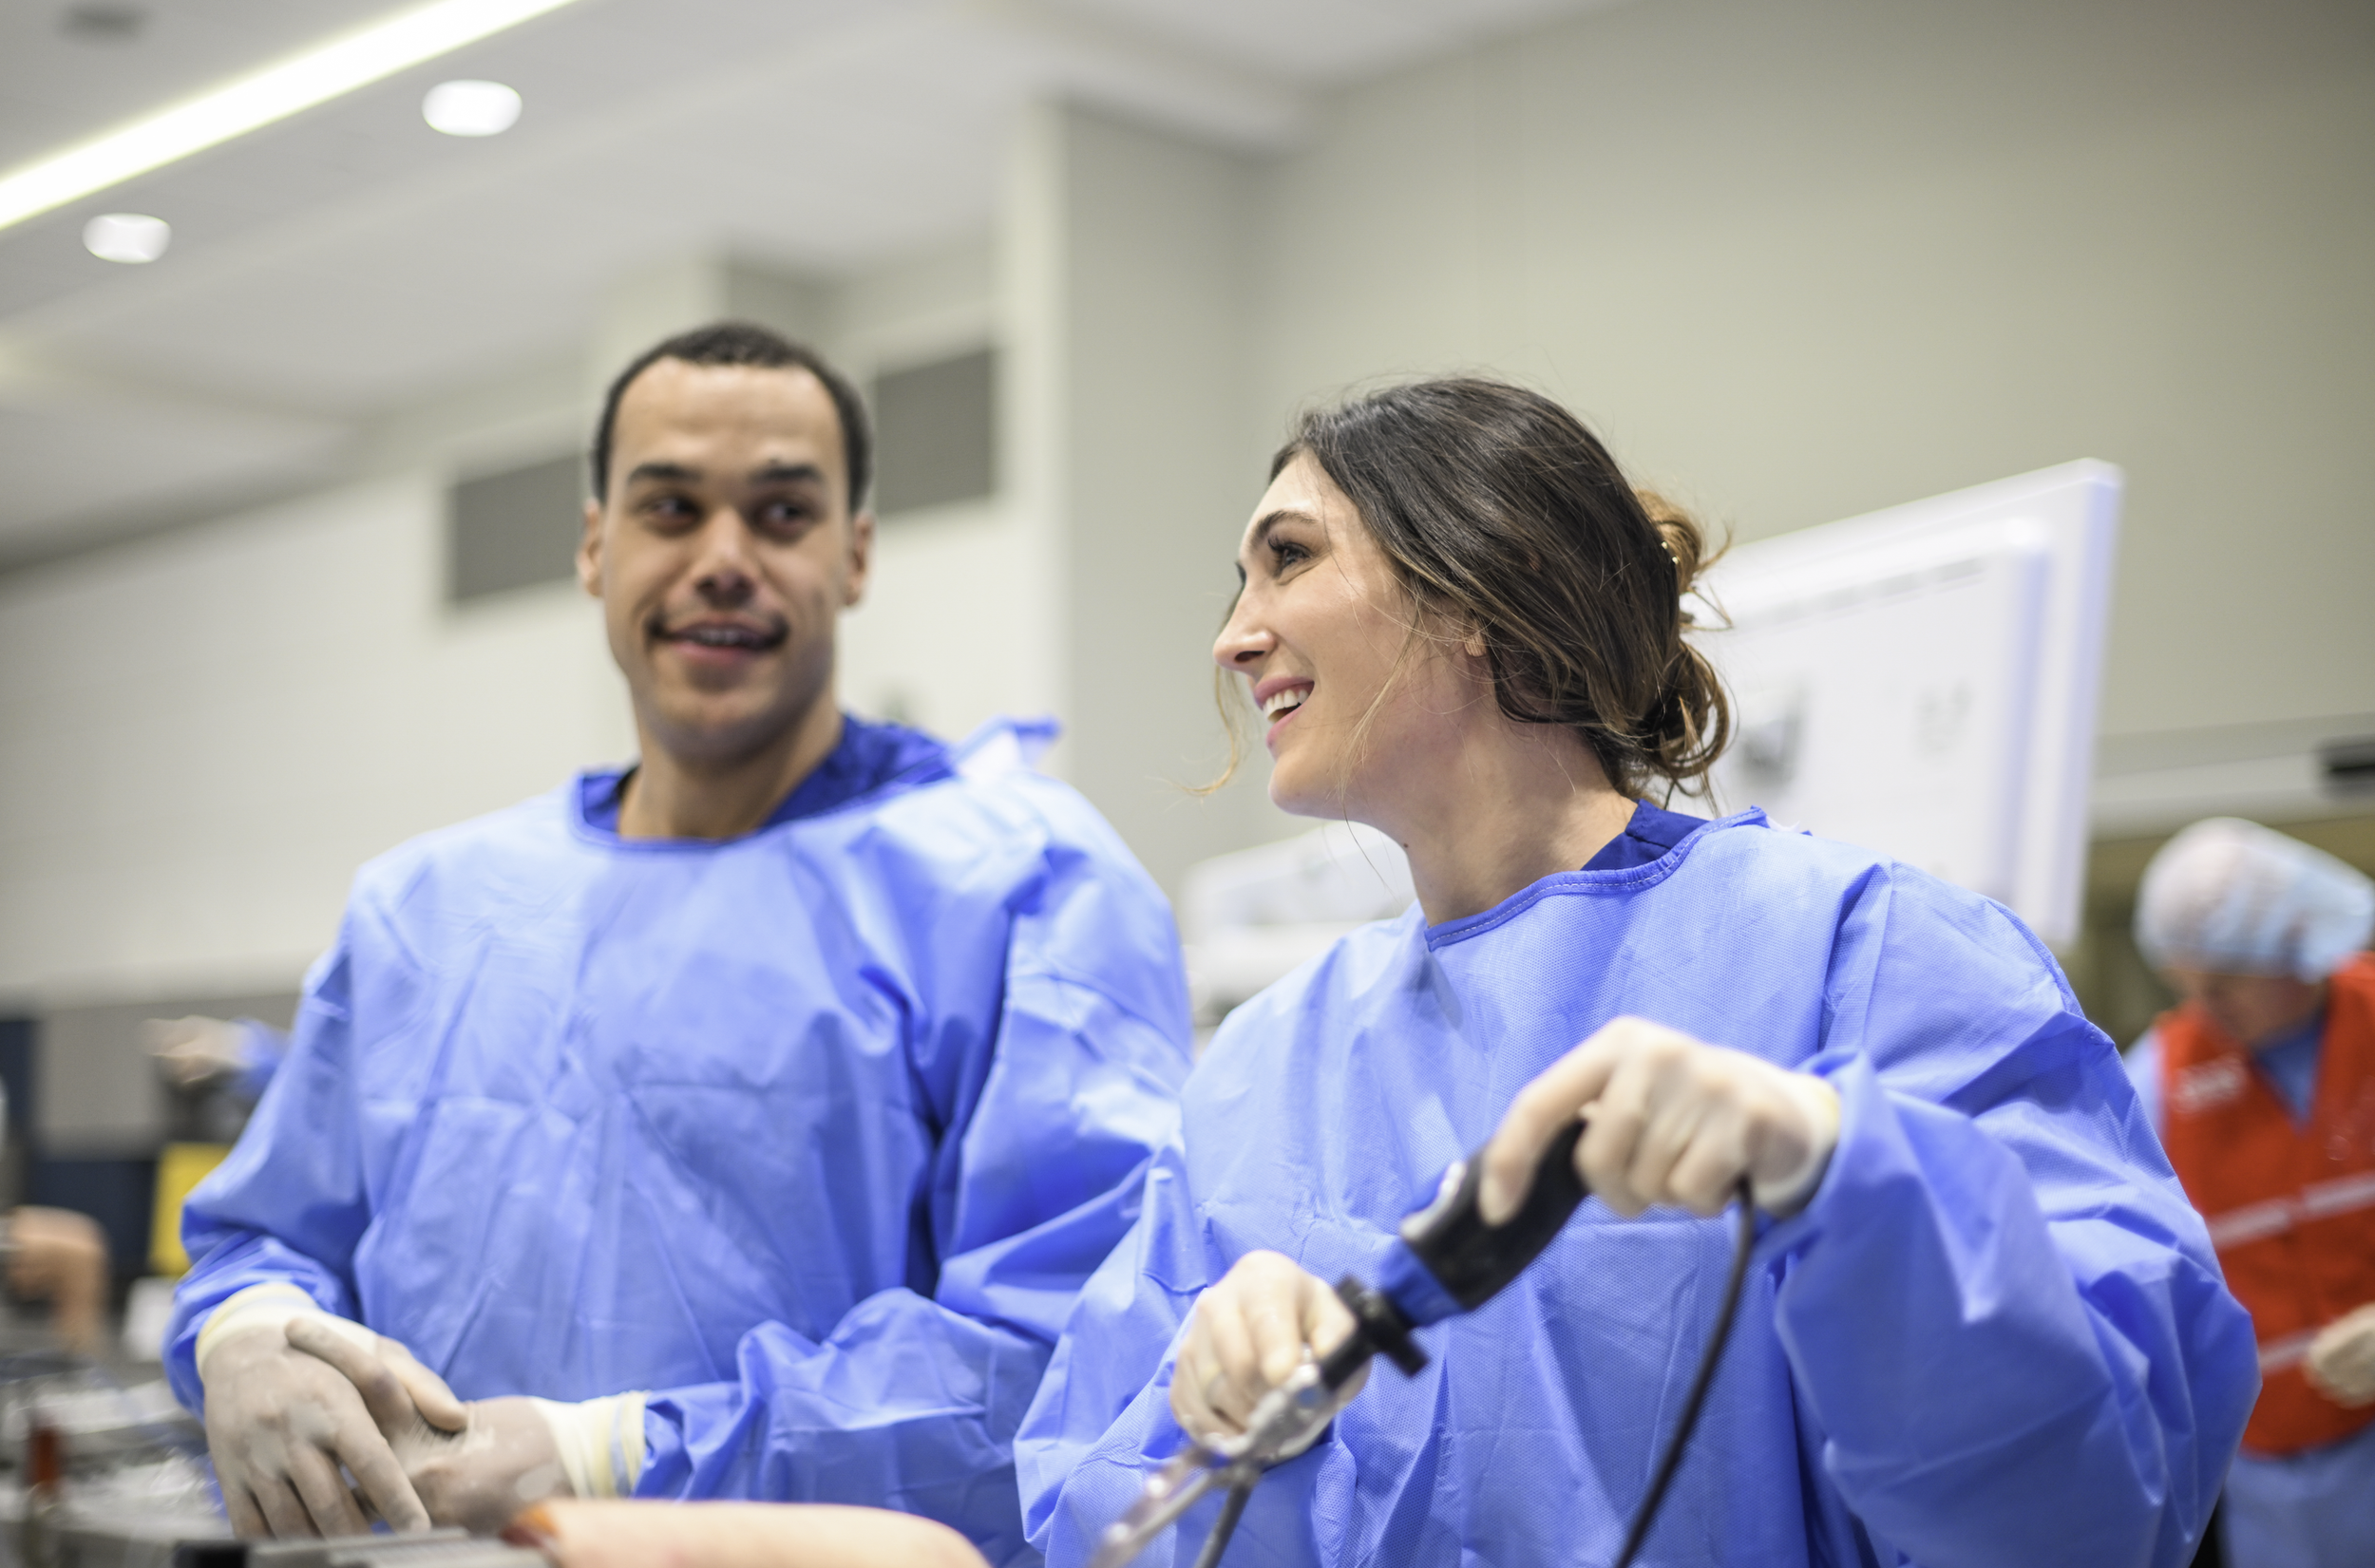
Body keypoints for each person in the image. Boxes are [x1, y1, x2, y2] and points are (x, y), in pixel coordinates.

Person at [1014, 378, 2258, 1567]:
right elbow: (1088, 1502)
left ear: (1477, 588)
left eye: (1288, 556)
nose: (1234, 635)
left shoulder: (1866, 953)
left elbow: (2108, 1494)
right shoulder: (1261, 1068)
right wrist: (1212, 1400)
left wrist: (1849, 1176)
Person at [166, 323, 1192, 1561]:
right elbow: (269, 1230)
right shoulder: (428, 909)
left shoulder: (1023, 884)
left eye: (780, 512)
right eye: (671, 507)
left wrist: (610, 1450)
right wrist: (252, 1332)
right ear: (597, 545)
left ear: (855, 554)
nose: (723, 558)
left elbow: (1066, 1351)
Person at [2126, 818, 2375, 1568]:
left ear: (2293, 942)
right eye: (2187, 986)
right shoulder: (2160, 1078)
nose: (2206, 1007)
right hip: (2274, 1470)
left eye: (2224, 981)